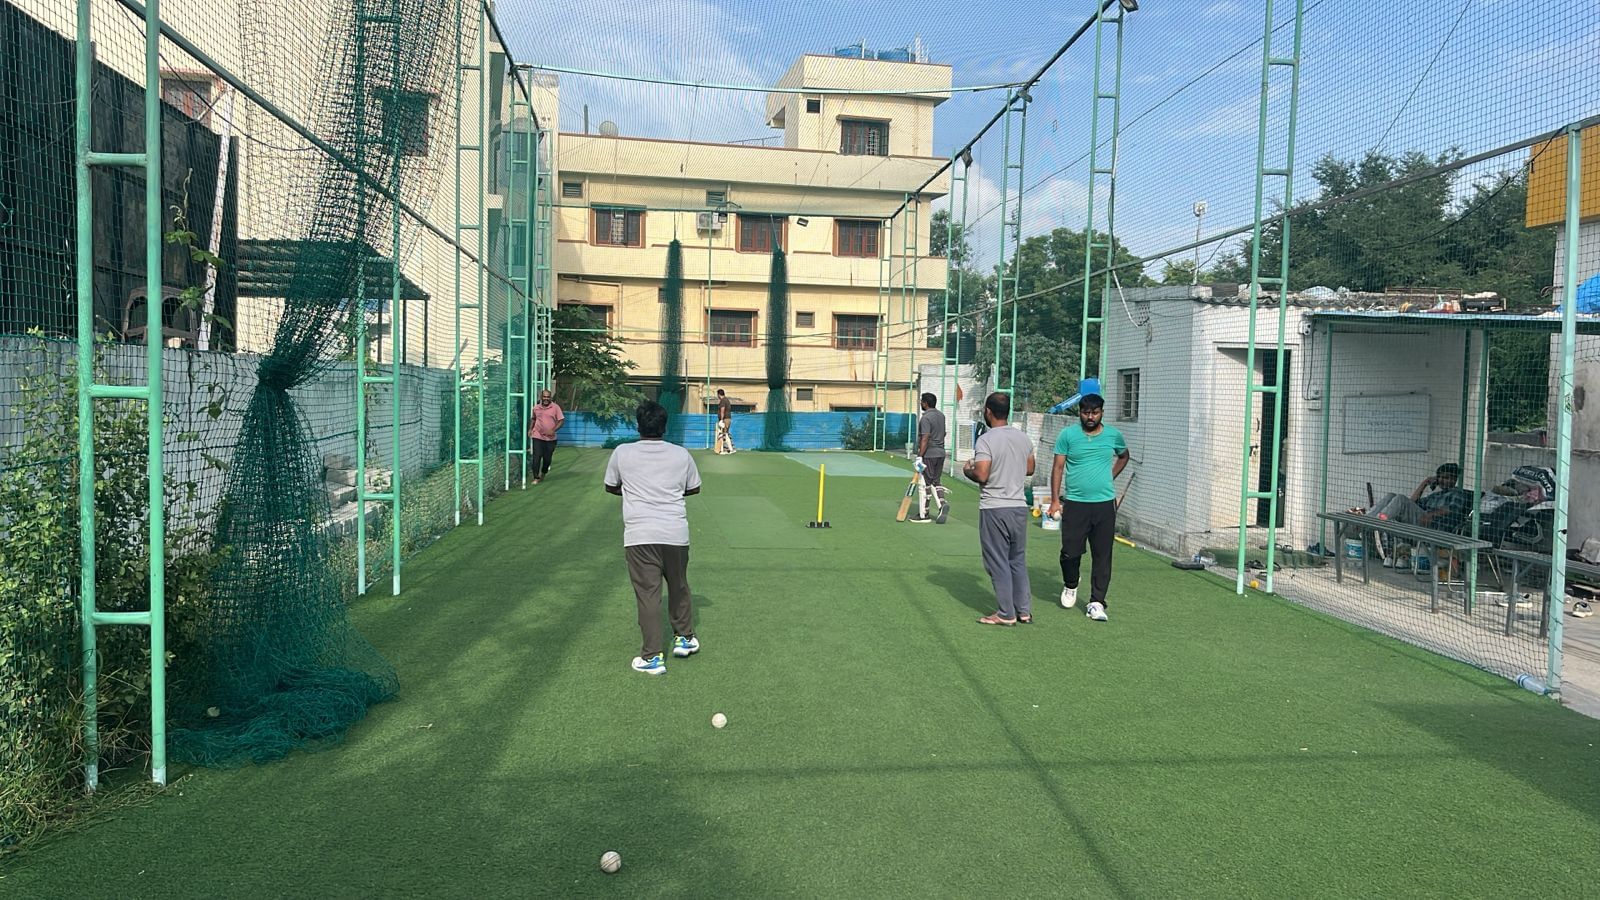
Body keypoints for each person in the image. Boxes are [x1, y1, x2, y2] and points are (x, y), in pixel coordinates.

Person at [604, 400, 702, 676]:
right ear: (665, 426)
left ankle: (652, 656)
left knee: (648, 595)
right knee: (679, 585)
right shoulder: (681, 454)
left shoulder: (622, 453)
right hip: (675, 532)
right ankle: (684, 638)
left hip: (639, 535)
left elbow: (611, 486)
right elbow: (693, 489)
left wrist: (638, 493)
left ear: (638, 424)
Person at [1048, 393, 1128, 623]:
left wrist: (1109, 477)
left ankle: (1096, 602)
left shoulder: (1113, 435)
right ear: (1080, 413)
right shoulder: (1068, 435)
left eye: (1094, 413)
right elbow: (1058, 468)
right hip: (1075, 503)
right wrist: (1055, 500)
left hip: (1104, 505)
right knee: (1070, 552)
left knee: (1103, 555)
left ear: (1102, 412)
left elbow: (1124, 456)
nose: (1090, 417)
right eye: (1085, 412)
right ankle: (1071, 583)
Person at [963, 392, 1036, 625]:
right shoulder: (1023, 438)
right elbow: (1030, 469)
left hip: (995, 507)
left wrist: (968, 471)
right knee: (1017, 559)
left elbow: (982, 474)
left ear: (988, 411)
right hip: (1018, 507)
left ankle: (1006, 613)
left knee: (997, 560)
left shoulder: (986, 440)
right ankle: (1023, 610)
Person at [1362, 462, 1471, 530]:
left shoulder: (1457, 493)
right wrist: (1425, 483)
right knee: (1392, 495)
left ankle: (1377, 522)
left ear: (1454, 479)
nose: (1442, 480)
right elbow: (1412, 502)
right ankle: (1368, 520)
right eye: (1440, 477)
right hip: (1423, 517)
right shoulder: (1436, 495)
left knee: (1400, 498)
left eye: (1446, 478)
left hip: (1433, 523)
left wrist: (1431, 515)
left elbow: (1451, 509)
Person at [910, 392, 949, 524]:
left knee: (924, 483)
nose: (921, 403)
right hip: (941, 453)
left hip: (929, 454)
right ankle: (942, 504)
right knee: (936, 481)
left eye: (921, 401)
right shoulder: (941, 416)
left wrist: (920, 456)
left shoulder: (926, 418)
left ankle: (923, 514)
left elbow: (925, 437)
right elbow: (943, 433)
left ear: (925, 403)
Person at [527, 389, 565, 484]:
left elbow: (561, 421)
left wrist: (553, 430)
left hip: (550, 439)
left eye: (548, 397)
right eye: (544, 397)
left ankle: (543, 473)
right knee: (536, 457)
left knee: (547, 459)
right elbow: (533, 419)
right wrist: (530, 429)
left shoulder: (555, 408)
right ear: (541, 397)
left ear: (550, 398)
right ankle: (536, 477)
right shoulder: (536, 408)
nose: (546, 399)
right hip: (538, 436)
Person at [713, 389, 736, 455]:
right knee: (725, 434)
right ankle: (730, 449)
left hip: (725, 419)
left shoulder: (723, 401)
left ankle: (721, 450)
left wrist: (721, 420)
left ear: (719, 394)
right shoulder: (727, 400)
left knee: (722, 434)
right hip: (728, 419)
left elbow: (722, 410)